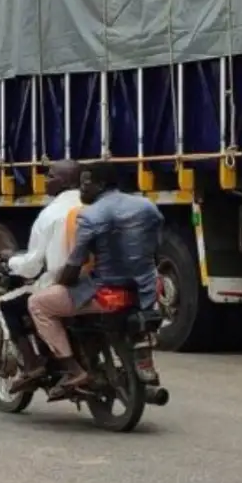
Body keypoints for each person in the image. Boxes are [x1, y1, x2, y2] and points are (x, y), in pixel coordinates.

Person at [29, 162, 162, 393]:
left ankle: (73, 369)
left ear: (101, 185)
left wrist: (61, 282)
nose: (81, 190)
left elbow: (74, 263)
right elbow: (155, 247)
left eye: (85, 184)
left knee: (38, 303)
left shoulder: (90, 215)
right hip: (145, 290)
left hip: (106, 291)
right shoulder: (147, 207)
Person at [0, 160, 82, 393]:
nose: (45, 180)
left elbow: (33, 266)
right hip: (93, 281)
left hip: (60, 284)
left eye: (51, 176)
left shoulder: (50, 214)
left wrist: (11, 261)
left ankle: (33, 365)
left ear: (66, 182)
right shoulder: (93, 205)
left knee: (6, 304)